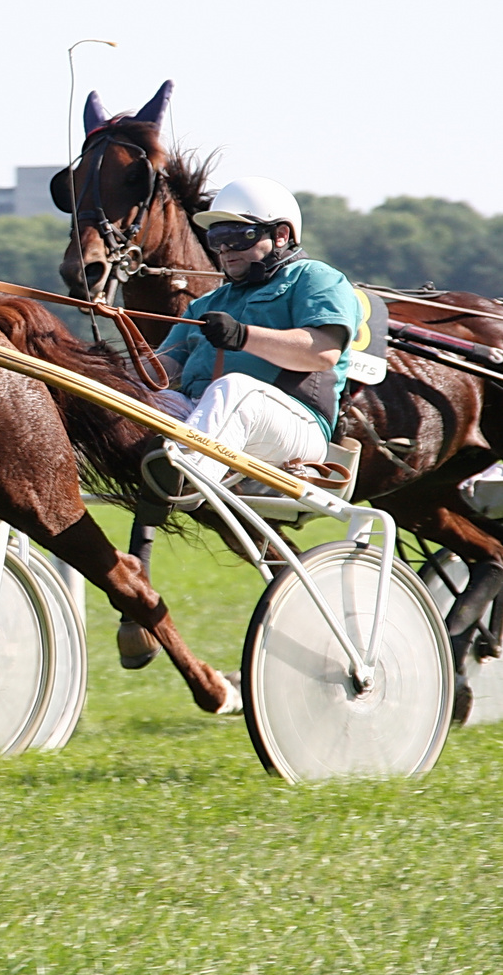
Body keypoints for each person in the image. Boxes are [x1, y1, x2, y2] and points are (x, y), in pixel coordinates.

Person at [118, 176, 361, 667]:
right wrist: (109, 374)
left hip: (297, 434)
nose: (225, 250)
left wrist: (245, 336)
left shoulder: (317, 280)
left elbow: (324, 350)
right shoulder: (207, 305)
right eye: (217, 239)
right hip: (217, 431)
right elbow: (160, 375)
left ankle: (183, 475)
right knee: (149, 400)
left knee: (231, 389)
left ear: (283, 236)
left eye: (240, 238)